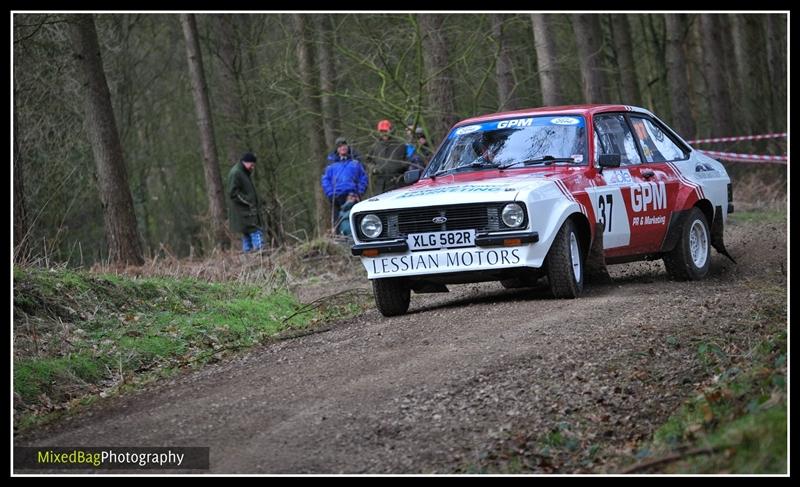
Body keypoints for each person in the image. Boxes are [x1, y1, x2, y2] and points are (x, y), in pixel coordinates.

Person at [321, 137, 368, 229]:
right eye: (340, 146)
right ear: (337, 149)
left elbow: (363, 178)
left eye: (344, 145)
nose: (343, 148)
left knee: (354, 221)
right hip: (336, 197)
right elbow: (325, 180)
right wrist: (331, 194)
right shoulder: (331, 165)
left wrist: (359, 192)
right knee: (337, 222)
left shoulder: (355, 163)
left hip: (352, 196)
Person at [227, 152, 264, 252]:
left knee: (247, 234)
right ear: (246, 162)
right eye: (252, 165)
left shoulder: (243, 172)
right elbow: (233, 193)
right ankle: (261, 256)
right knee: (256, 231)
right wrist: (249, 202)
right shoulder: (236, 173)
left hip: (245, 212)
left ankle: (249, 260)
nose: (252, 167)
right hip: (244, 212)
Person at [365, 119, 408, 195]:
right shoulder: (375, 146)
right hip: (380, 184)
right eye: (381, 131)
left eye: (385, 131)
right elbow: (368, 161)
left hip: (397, 183)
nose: (384, 134)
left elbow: (407, 162)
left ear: (390, 130)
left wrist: (398, 167)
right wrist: (373, 168)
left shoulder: (400, 145)